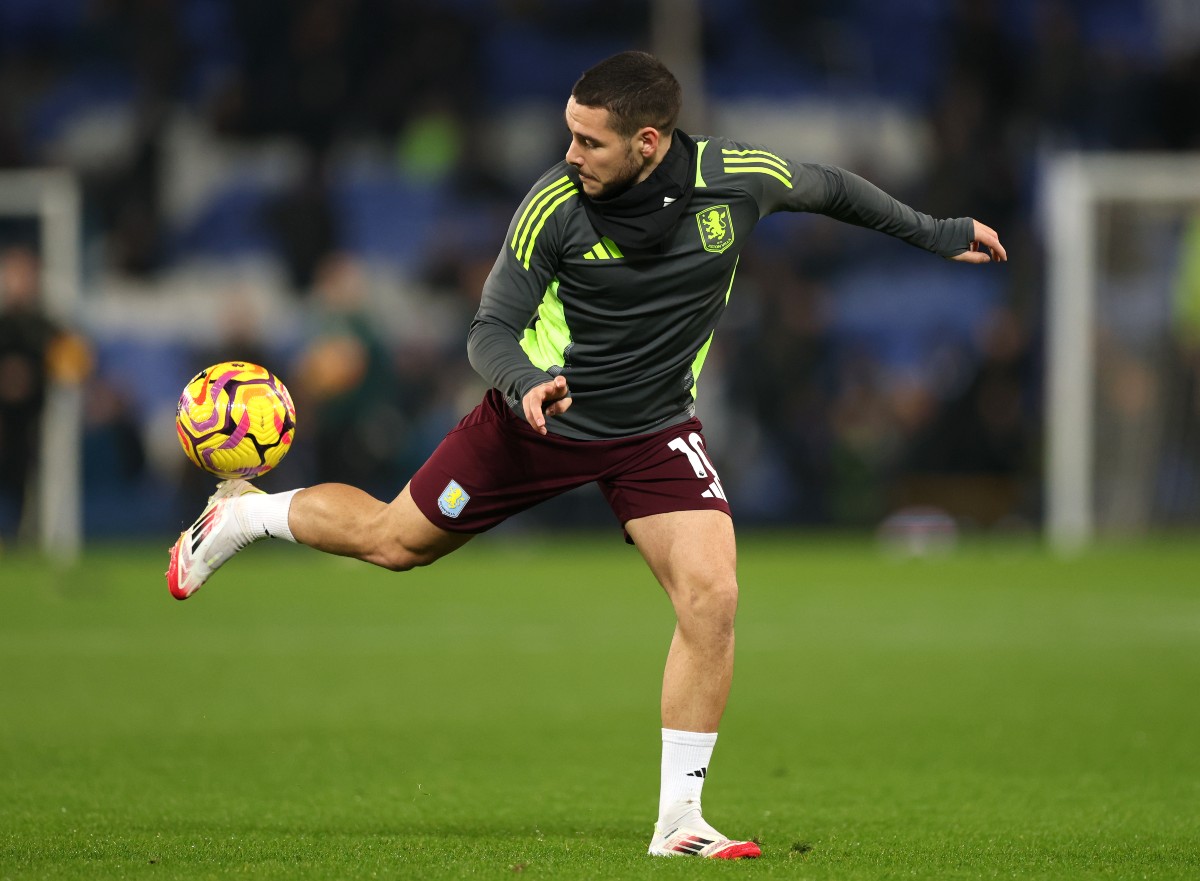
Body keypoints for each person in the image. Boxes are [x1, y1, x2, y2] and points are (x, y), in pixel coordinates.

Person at [167, 51, 1006, 859]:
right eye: (568, 134)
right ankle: (247, 513)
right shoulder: (553, 205)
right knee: (392, 542)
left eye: (588, 140)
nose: (569, 153)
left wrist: (938, 232)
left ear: (649, 143)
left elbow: (831, 188)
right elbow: (489, 327)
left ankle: (680, 819)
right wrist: (526, 382)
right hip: (535, 421)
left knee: (712, 596)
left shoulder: (735, 178)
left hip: (654, 431)